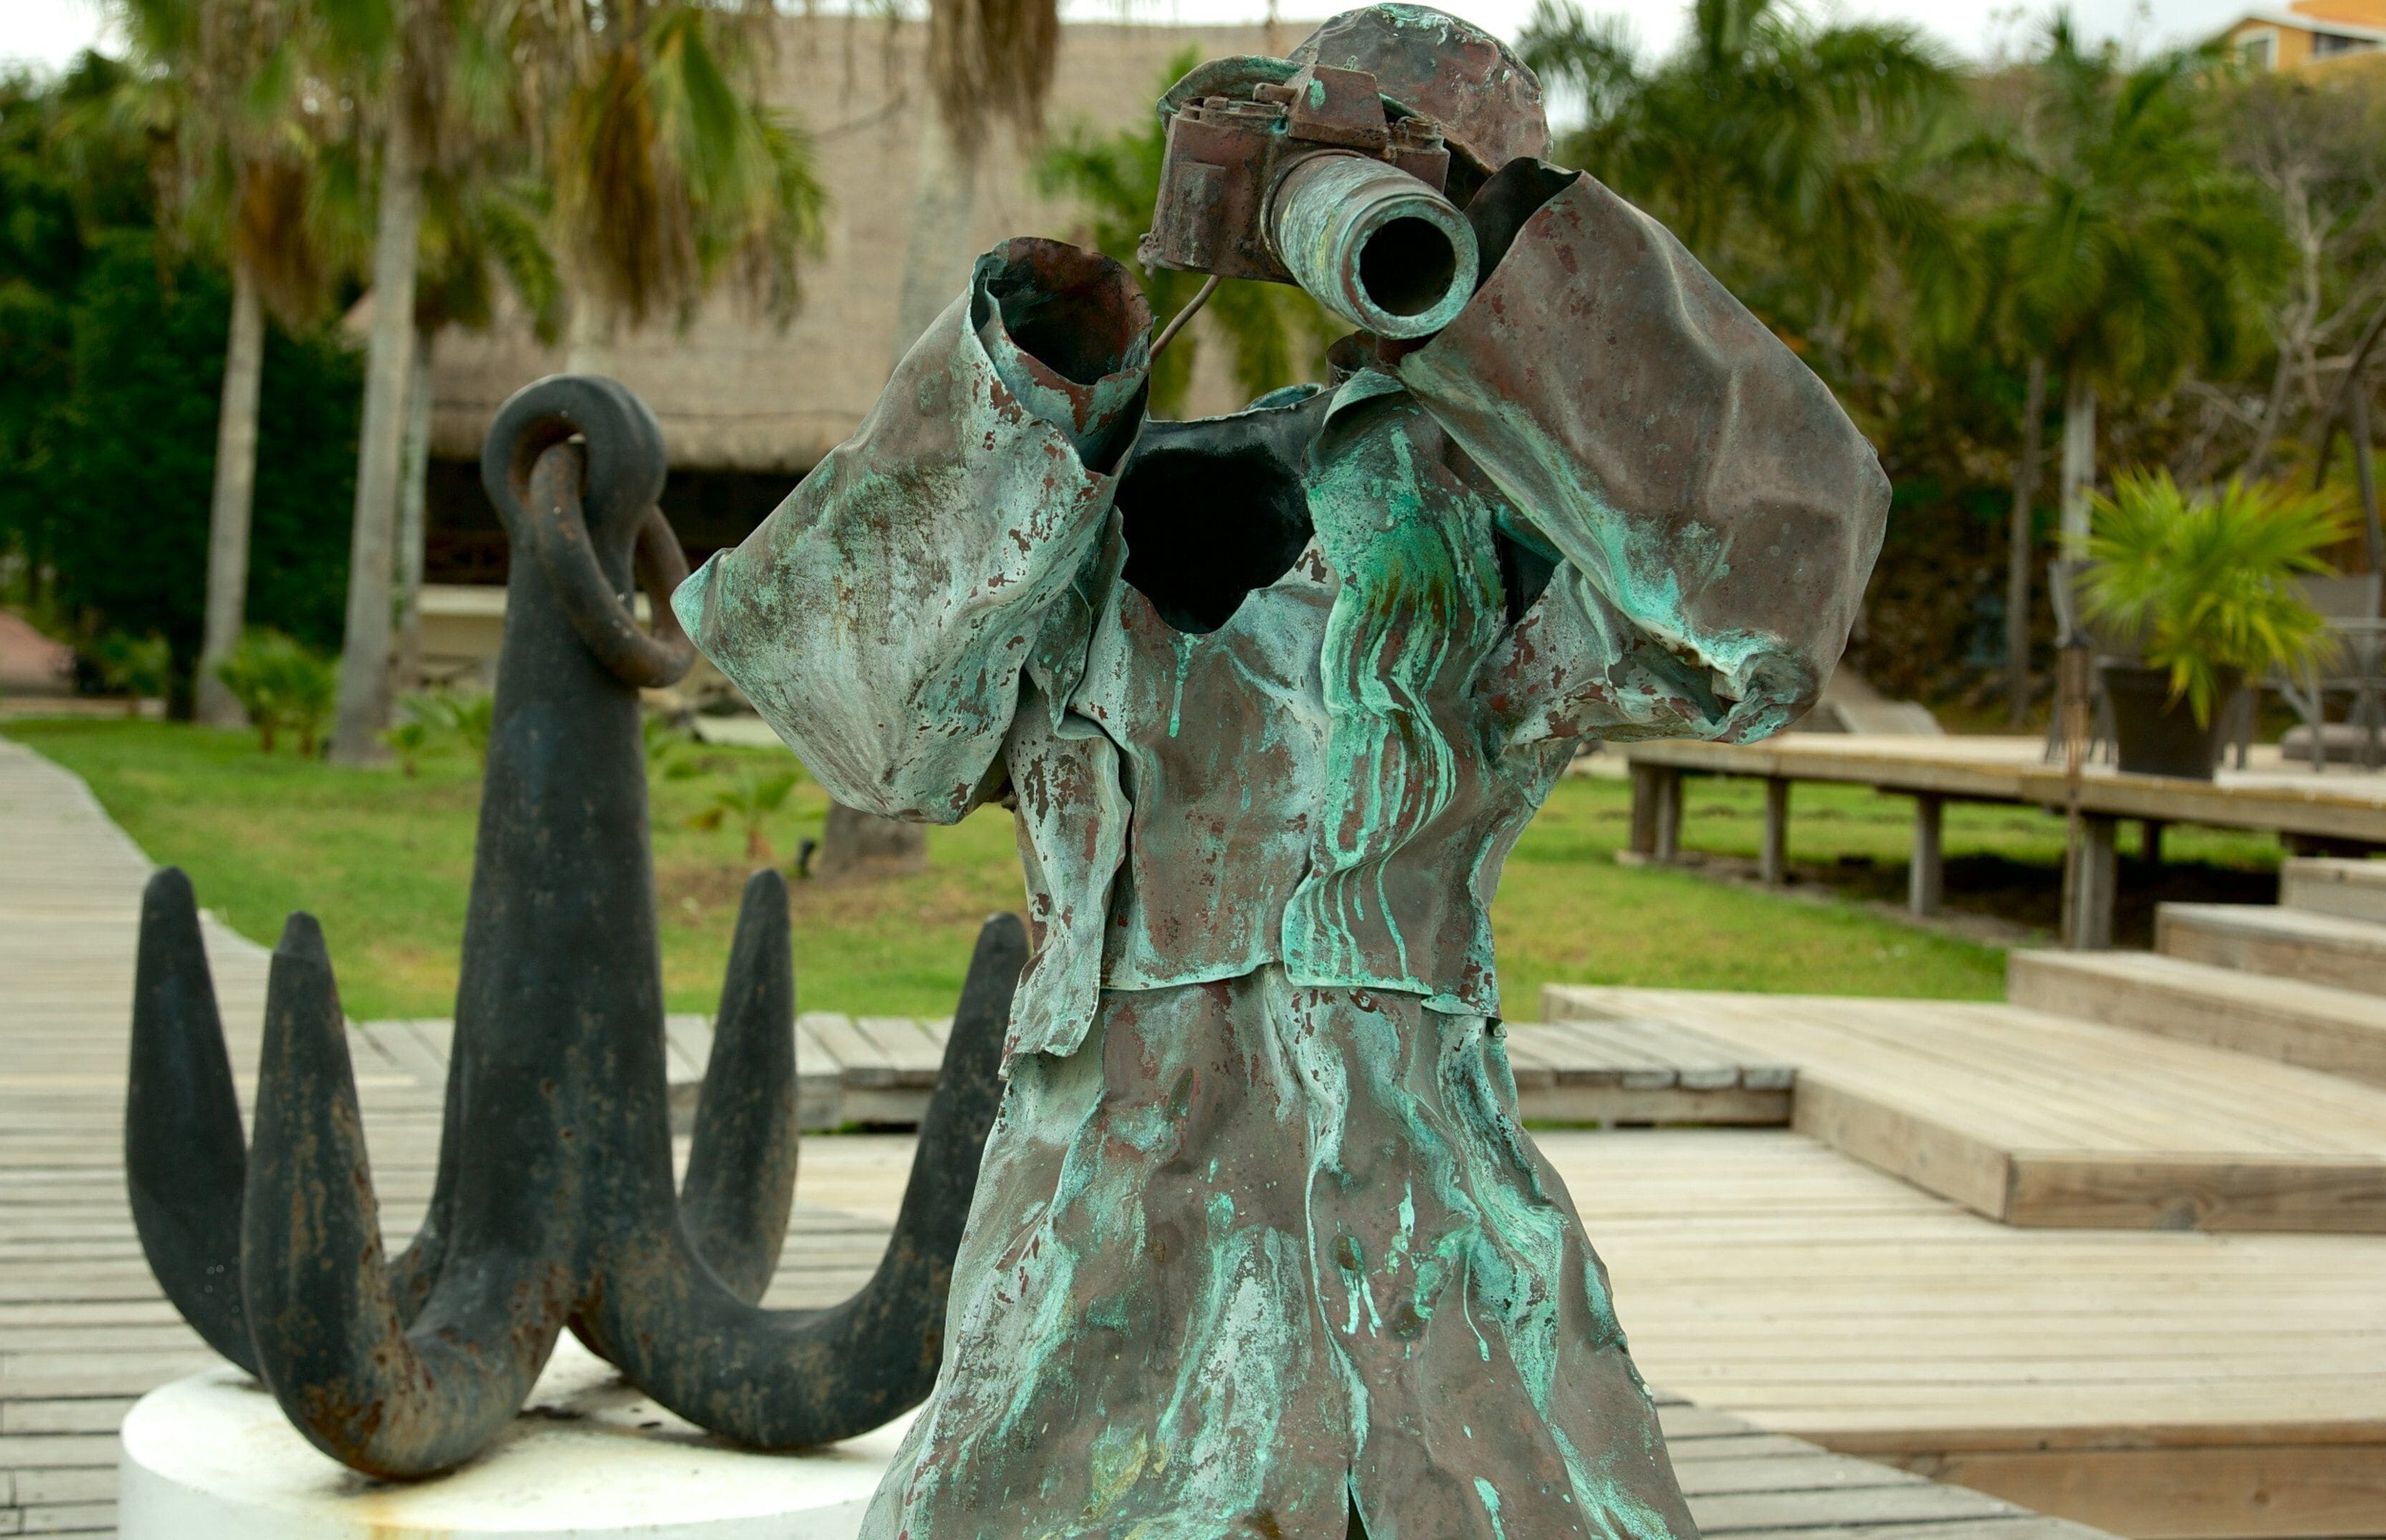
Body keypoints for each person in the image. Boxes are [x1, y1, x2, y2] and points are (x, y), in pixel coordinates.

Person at [672, 8, 1888, 1535]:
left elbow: (1777, 603)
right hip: (1101, 1227)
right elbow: (852, 708)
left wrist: (1515, 267)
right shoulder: (1060, 513)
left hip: (1423, 1228)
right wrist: (1048, 368)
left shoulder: (1513, 545)